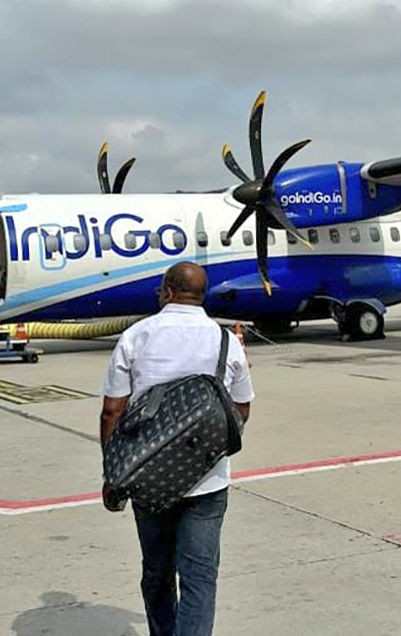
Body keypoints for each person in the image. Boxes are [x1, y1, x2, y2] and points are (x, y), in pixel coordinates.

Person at [101, 262, 254, 636]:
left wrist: (113, 474)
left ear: (167, 292)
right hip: (208, 482)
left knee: (157, 572)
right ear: (202, 295)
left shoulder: (137, 336)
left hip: (148, 479)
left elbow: (112, 411)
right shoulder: (226, 341)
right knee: (199, 578)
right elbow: (241, 409)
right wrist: (202, 446)